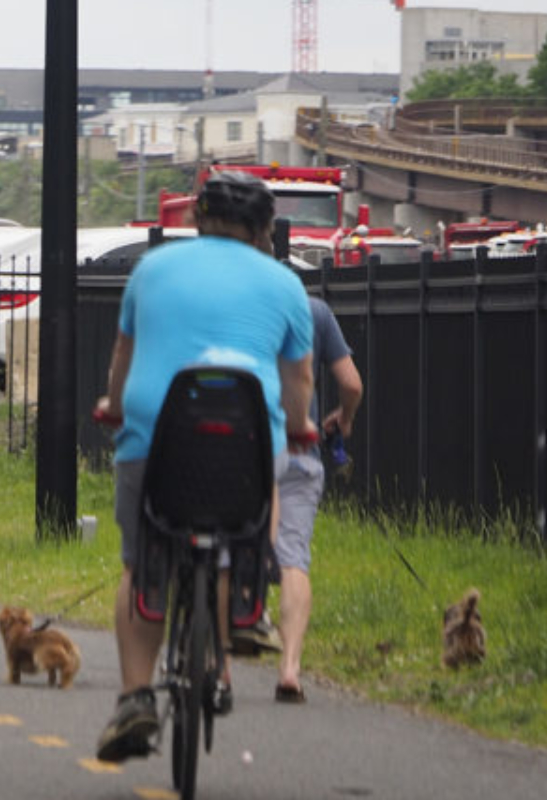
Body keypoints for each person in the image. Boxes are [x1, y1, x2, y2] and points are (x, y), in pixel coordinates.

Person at [92, 171, 316, 763]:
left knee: (141, 563)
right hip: (242, 442)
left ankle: (135, 696)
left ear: (195, 217)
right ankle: (246, 599)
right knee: (246, 508)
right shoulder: (286, 284)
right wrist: (296, 428)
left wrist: (114, 408)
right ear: (266, 230)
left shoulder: (152, 270)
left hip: (153, 436)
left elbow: (124, 354)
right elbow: (300, 380)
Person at [262, 296, 361, 704]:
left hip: (246, 447)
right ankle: (290, 669)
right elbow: (352, 384)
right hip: (301, 449)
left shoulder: (240, 303)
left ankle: (221, 666)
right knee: (293, 558)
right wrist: (346, 417)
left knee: (228, 546)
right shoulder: (315, 311)